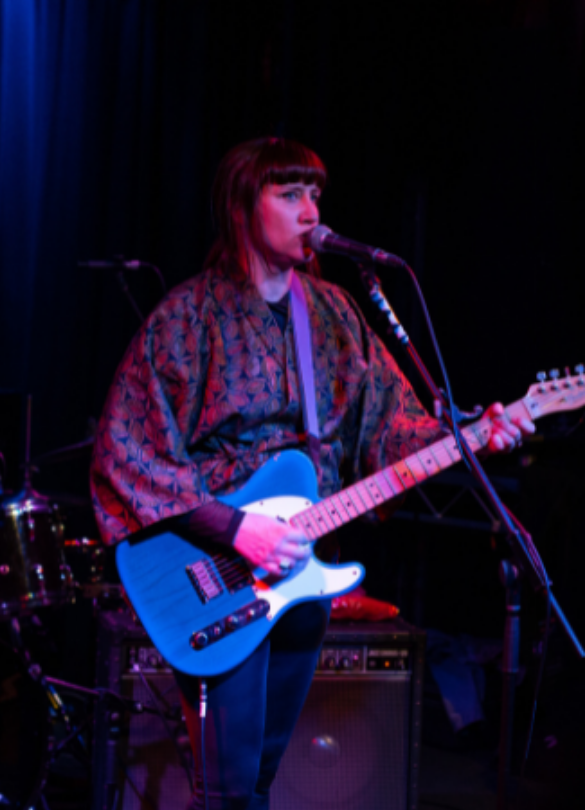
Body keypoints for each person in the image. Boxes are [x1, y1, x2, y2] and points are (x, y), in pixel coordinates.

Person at [89, 136, 533, 810]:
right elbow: (129, 450)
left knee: (260, 781)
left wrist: (478, 436)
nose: (310, 210)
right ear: (243, 208)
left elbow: (393, 426)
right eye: (290, 193)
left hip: (299, 571)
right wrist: (238, 528)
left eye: (315, 194)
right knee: (229, 787)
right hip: (217, 569)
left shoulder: (331, 313)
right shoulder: (189, 316)